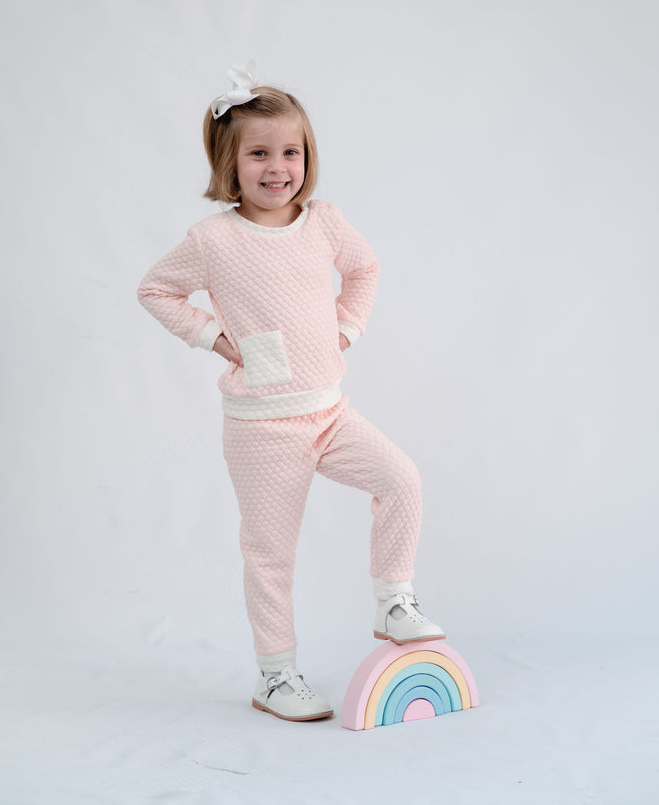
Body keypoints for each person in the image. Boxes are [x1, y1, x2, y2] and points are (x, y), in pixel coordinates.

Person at [137, 63, 445, 722]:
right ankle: (276, 677)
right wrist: (215, 337)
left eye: (290, 152)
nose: (277, 168)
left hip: (330, 412)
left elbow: (364, 269)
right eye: (258, 154)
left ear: (307, 157)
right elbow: (155, 289)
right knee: (270, 554)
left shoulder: (325, 223)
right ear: (229, 161)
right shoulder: (212, 240)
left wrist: (347, 327)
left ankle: (393, 601)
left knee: (401, 479)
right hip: (261, 428)